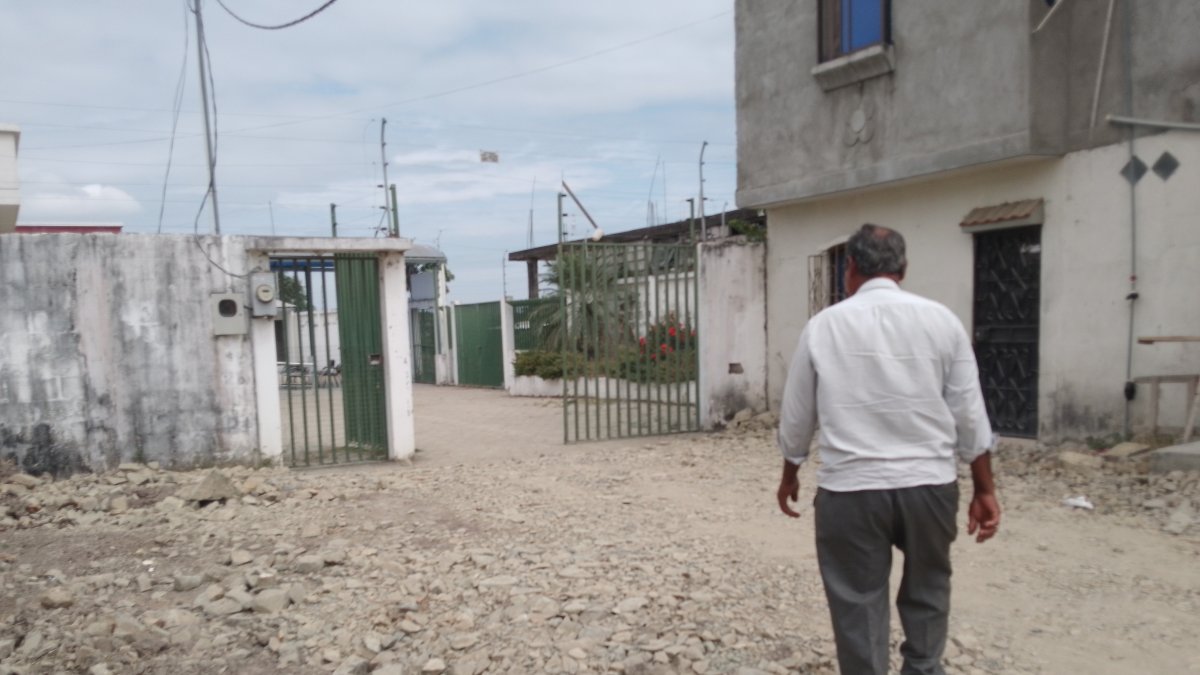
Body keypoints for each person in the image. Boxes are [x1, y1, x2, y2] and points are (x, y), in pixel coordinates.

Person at [776, 224, 1001, 675]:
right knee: (929, 586)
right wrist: (984, 489)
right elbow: (969, 413)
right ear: (903, 268)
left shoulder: (823, 327)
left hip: (851, 491)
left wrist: (790, 471)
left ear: (850, 268)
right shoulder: (942, 321)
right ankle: (922, 667)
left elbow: (798, 413)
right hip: (930, 487)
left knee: (857, 599)